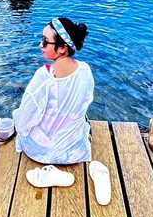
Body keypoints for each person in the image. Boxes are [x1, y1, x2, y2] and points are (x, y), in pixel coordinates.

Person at [12, 17, 93, 164]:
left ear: (63, 48)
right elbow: (83, 103)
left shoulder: (44, 76)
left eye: (45, 41)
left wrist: (16, 117)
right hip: (74, 150)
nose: (40, 45)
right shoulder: (85, 70)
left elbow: (22, 123)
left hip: (43, 152)